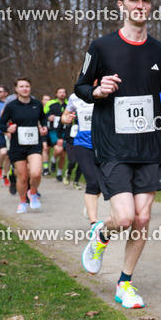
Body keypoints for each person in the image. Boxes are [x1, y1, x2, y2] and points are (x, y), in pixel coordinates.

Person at [76, 0, 161, 309]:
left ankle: (125, 283)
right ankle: (101, 232)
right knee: (124, 218)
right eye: (133, 0)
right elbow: (80, 86)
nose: (140, 5)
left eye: (145, 0)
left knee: (142, 218)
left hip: (150, 146)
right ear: (120, 4)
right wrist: (97, 90)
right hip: (113, 145)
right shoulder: (101, 47)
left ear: (150, 6)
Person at [0, 78, 48, 213]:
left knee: (36, 173)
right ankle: (22, 201)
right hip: (17, 145)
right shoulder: (12, 106)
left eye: (27, 86)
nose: (25, 88)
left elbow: (43, 118)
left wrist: (44, 127)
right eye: (21, 86)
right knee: (23, 176)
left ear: (30, 88)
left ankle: (33, 192)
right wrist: (8, 129)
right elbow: (0, 124)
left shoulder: (37, 104)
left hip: (34, 144)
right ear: (16, 89)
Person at [62, 92, 101, 224]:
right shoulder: (75, 97)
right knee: (92, 181)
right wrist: (66, 119)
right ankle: (93, 223)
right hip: (83, 144)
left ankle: (90, 203)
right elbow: (64, 116)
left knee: (103, 182)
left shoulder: (110, 92)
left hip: (105, 144)